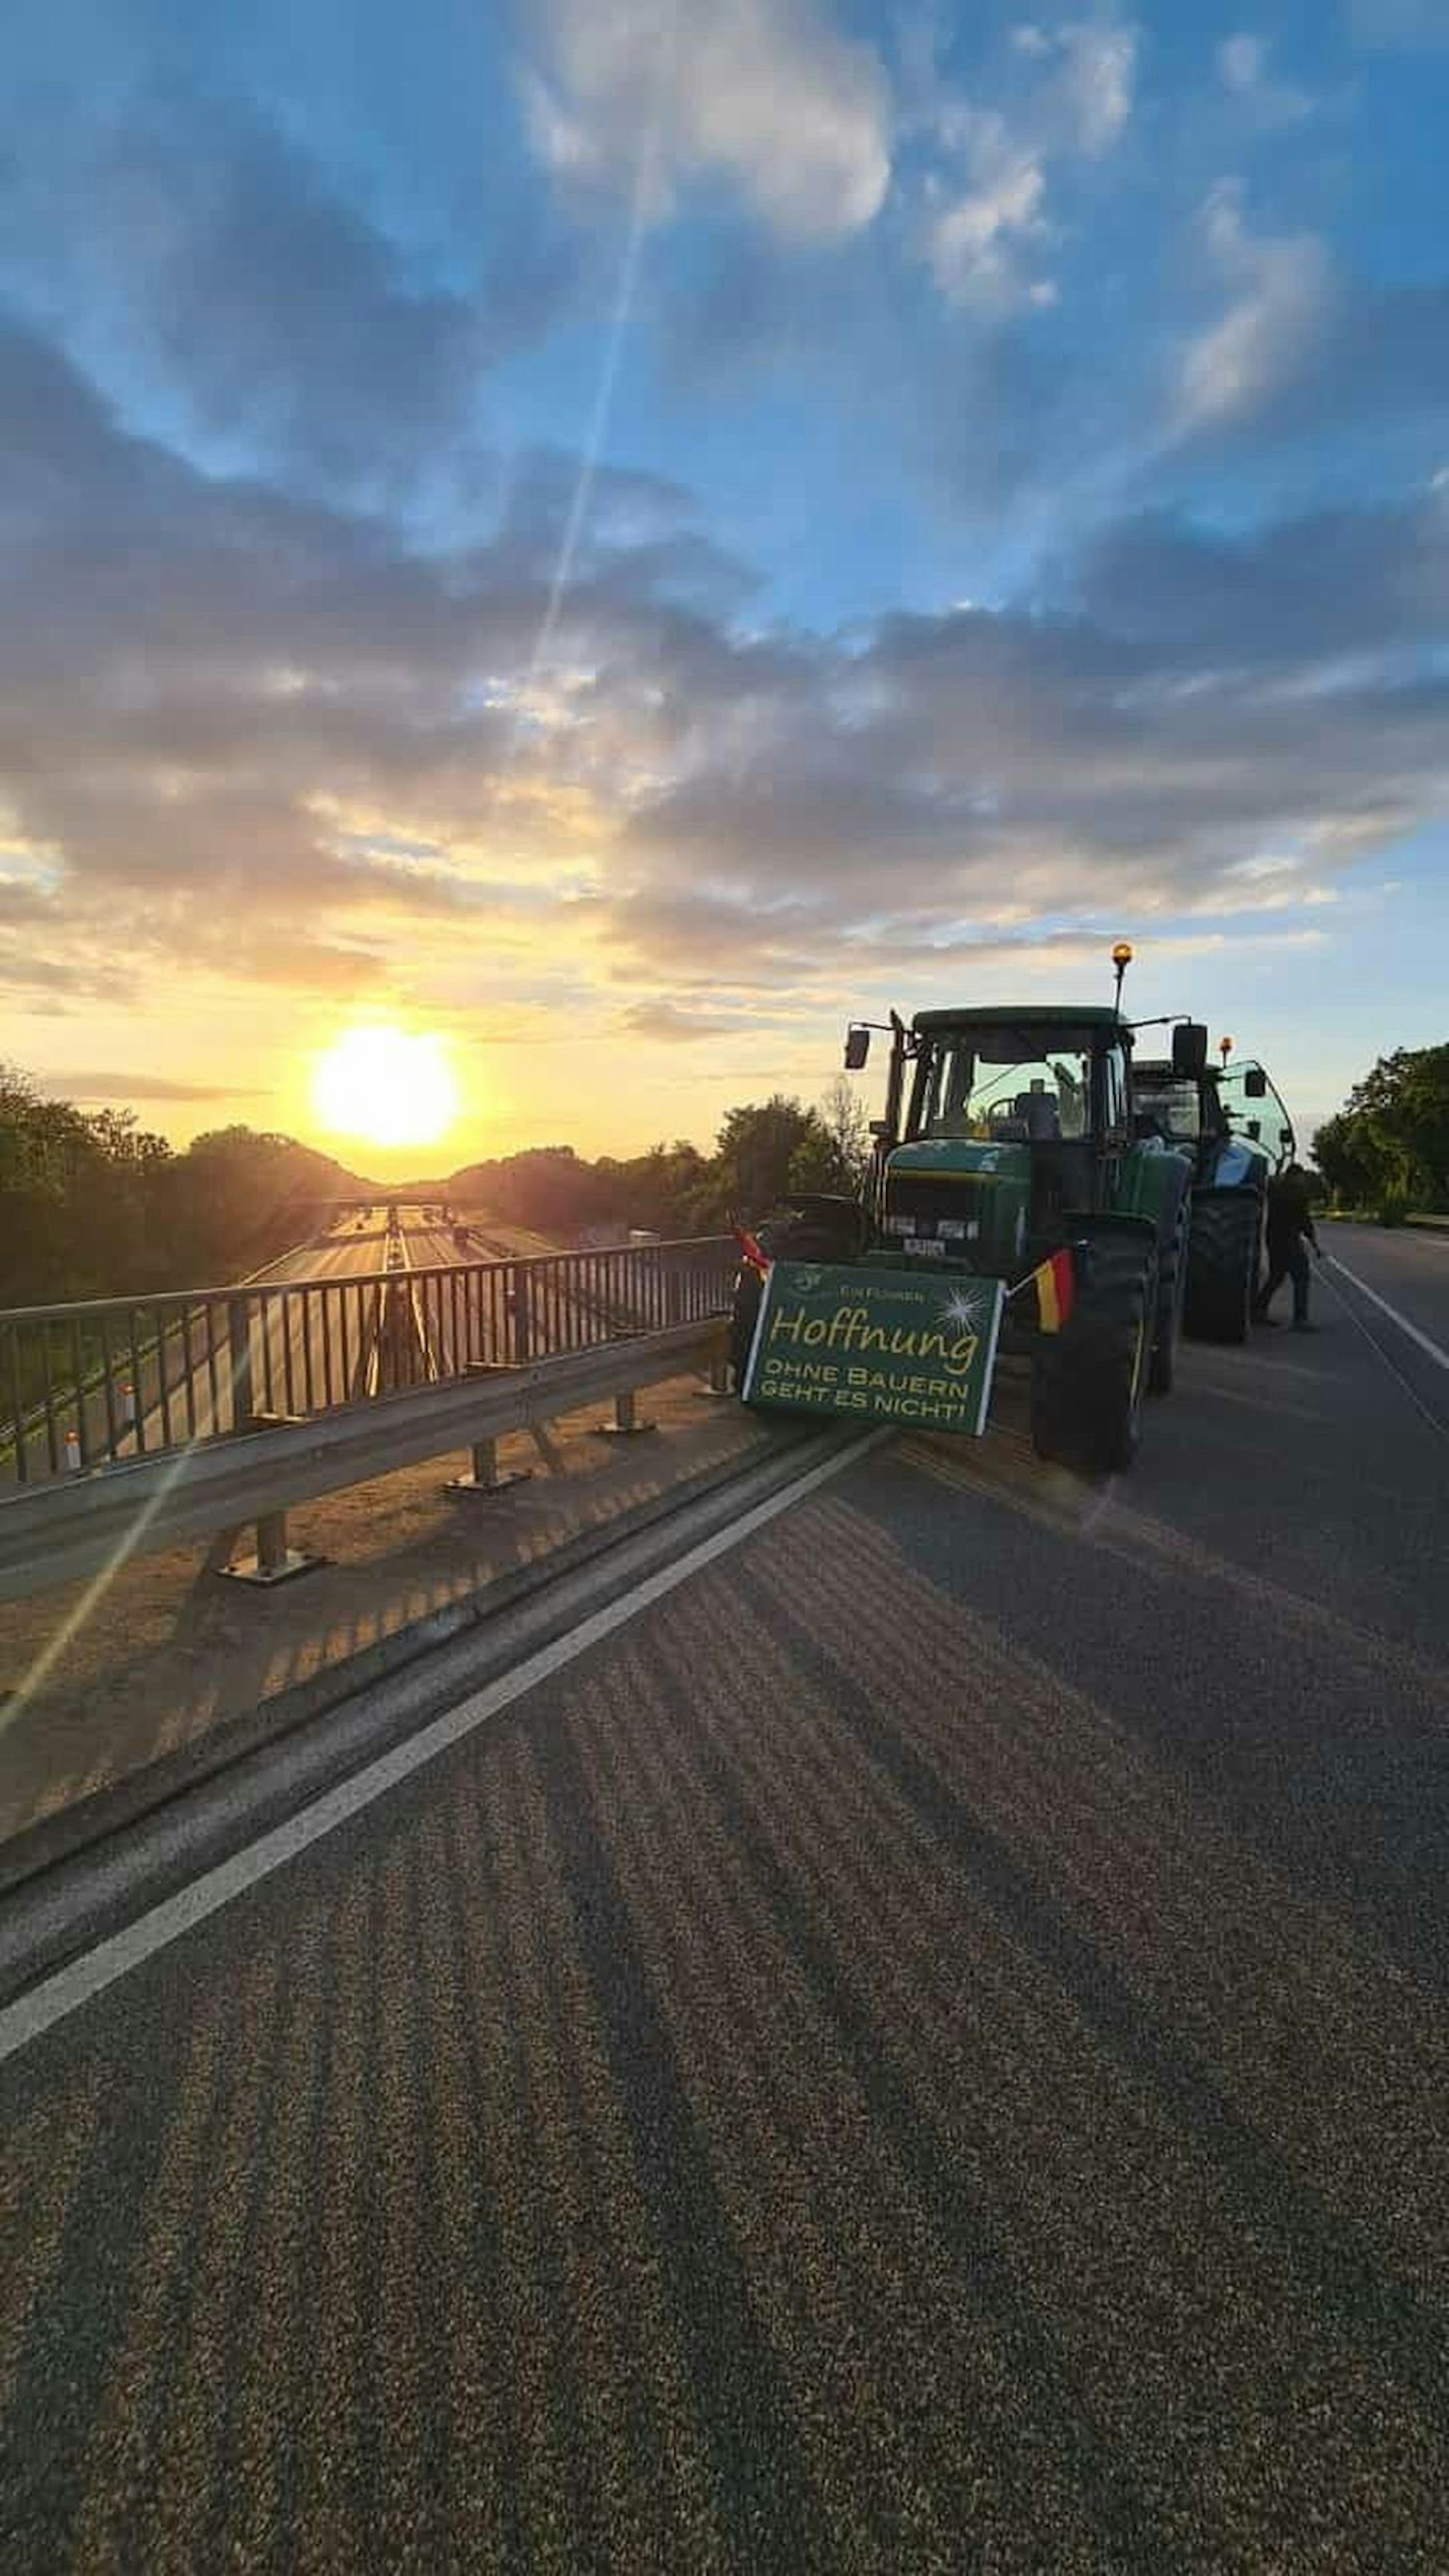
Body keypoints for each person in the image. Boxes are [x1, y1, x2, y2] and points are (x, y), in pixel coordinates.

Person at [1254, 1161, 1321, 1330]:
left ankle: (1257, 1311)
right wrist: (1314, 1243)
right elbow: (1304, 1220)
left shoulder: (1275, 1189)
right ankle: (1300, 1319)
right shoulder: (1297, 1193)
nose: (1303, 1180)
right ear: (1296, 1176)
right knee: (1302, 1276)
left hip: (1273, 1237)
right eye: (1301, 1177)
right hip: (1289, 1239)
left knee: (1276, 1276)